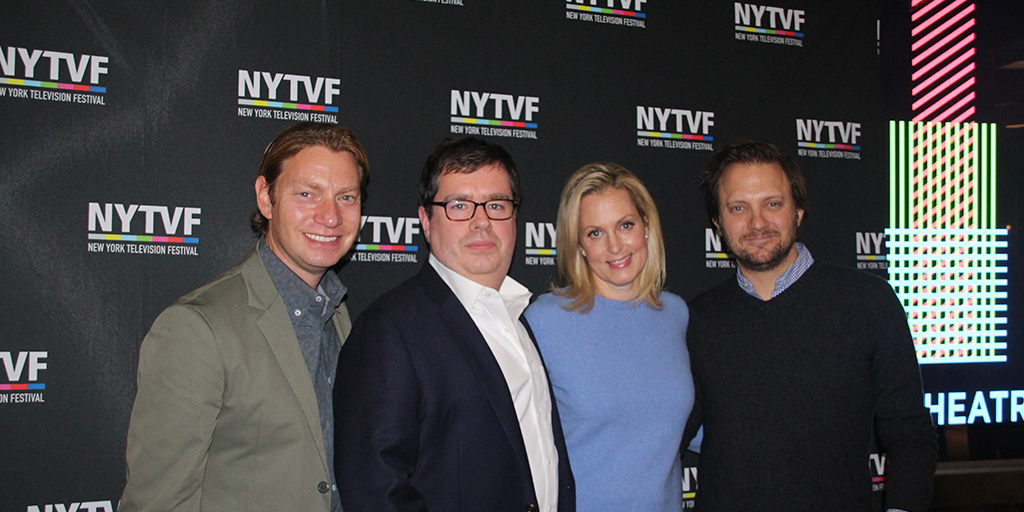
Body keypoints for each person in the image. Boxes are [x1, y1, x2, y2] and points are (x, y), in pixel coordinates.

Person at [119, 123, 369, 512]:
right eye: (307, 194)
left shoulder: (337, 313)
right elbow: (157, 504)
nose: (330, 216)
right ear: (266, 199)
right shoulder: (196, 328)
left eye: (346, 197)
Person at [686, 141, 937, 511]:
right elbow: (665, 434)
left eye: (773, 204)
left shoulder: (868, 302)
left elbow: (910, 433)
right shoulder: (695, 320)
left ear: (798, 211)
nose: (757, 223)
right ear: (718, 223)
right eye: (738, 208)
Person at [334, 137, 575, 512]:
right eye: (459, 206)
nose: (482, 222)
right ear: (426, 222)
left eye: (497, 205)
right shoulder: (389, 331)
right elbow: (376, 491)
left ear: (514, 219)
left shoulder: (520, 318)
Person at [525, 163, 696, 512]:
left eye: (626, 225)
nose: (615, 246)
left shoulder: (675, 315)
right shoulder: (544, 322)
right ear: (579, 245)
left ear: (646, 227)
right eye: (595, 233)